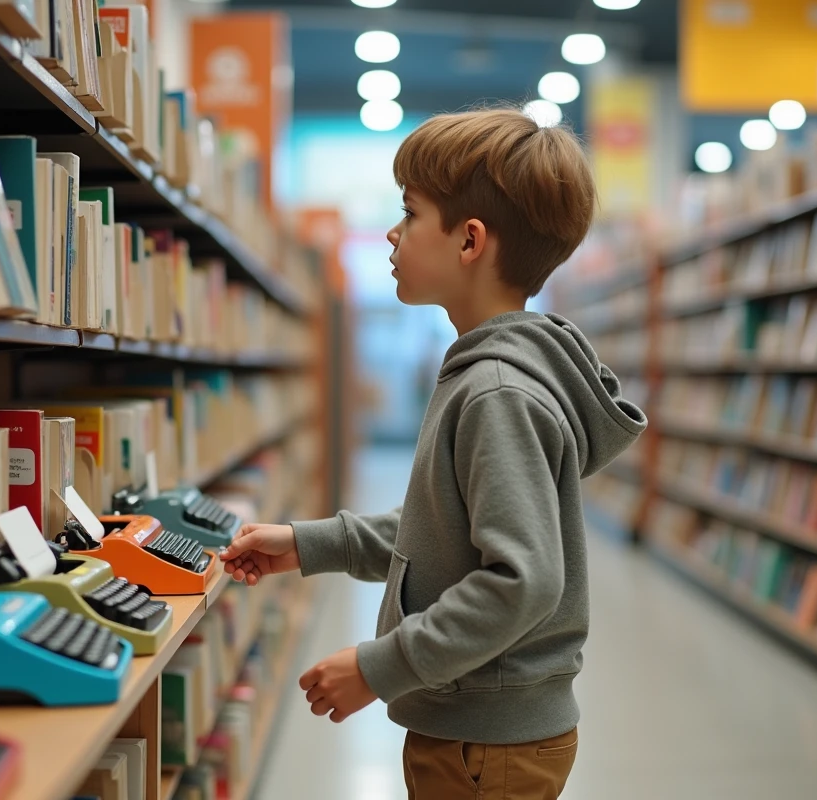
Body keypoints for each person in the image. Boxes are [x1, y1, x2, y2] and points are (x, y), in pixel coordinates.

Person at [219, 107, 647, 799]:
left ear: (469, 241)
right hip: (481, 729)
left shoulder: (496, 392)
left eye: (410, 213)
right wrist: (309, 545)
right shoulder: (486, 373)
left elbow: (522, 581)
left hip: (488, 743)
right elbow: (441, 532)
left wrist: (379, 665)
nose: (391, 232)